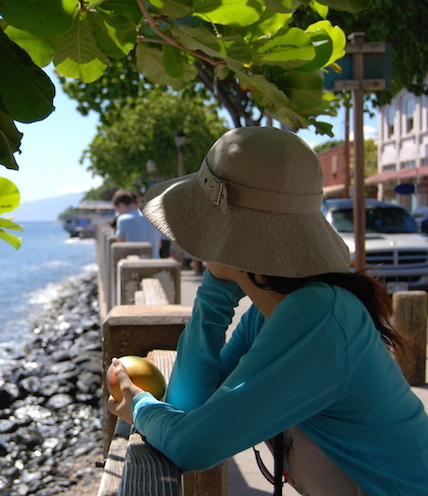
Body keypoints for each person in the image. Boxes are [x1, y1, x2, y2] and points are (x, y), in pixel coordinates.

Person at [106, 127, 428, 495]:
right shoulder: (275, 313)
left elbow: (192, 445)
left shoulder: (318, 316)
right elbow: (190, 405)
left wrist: (141, 407)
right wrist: (217, 287)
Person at [111, 189, 160, 258]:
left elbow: (120, 243)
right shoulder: (150, 215)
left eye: (116, 209)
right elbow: (159, 244)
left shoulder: (122, 219)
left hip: (135, 263)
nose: (117, 213)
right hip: (155, 262)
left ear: (121, 204)